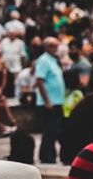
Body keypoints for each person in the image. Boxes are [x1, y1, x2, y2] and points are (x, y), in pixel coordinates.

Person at [28, 36, 66, 165]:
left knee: (54, 130)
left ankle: (51, 155)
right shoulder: (43, 60)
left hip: (57, 101)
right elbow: (40, 80)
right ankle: (46, 156)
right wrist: (47, 100)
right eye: (54, 46)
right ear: (47, 47)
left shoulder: (53, 60)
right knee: (49, 130)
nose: (56, 49)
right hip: (49, 103)